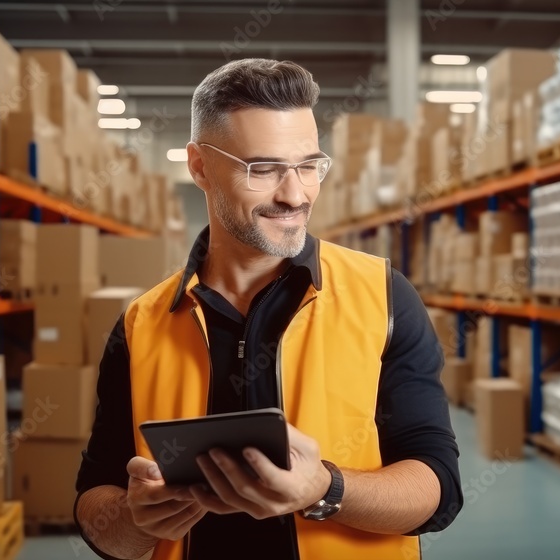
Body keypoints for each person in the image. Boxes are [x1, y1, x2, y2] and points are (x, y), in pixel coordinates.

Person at [73, 58, 462, 560]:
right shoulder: (141, 324)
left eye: (308, 165)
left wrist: (326, 488)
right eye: (264, 169)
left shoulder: (383, 296)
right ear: (198, 166)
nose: (295, 194)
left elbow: (439, 487)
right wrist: (136, 518)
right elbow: (95, 505)